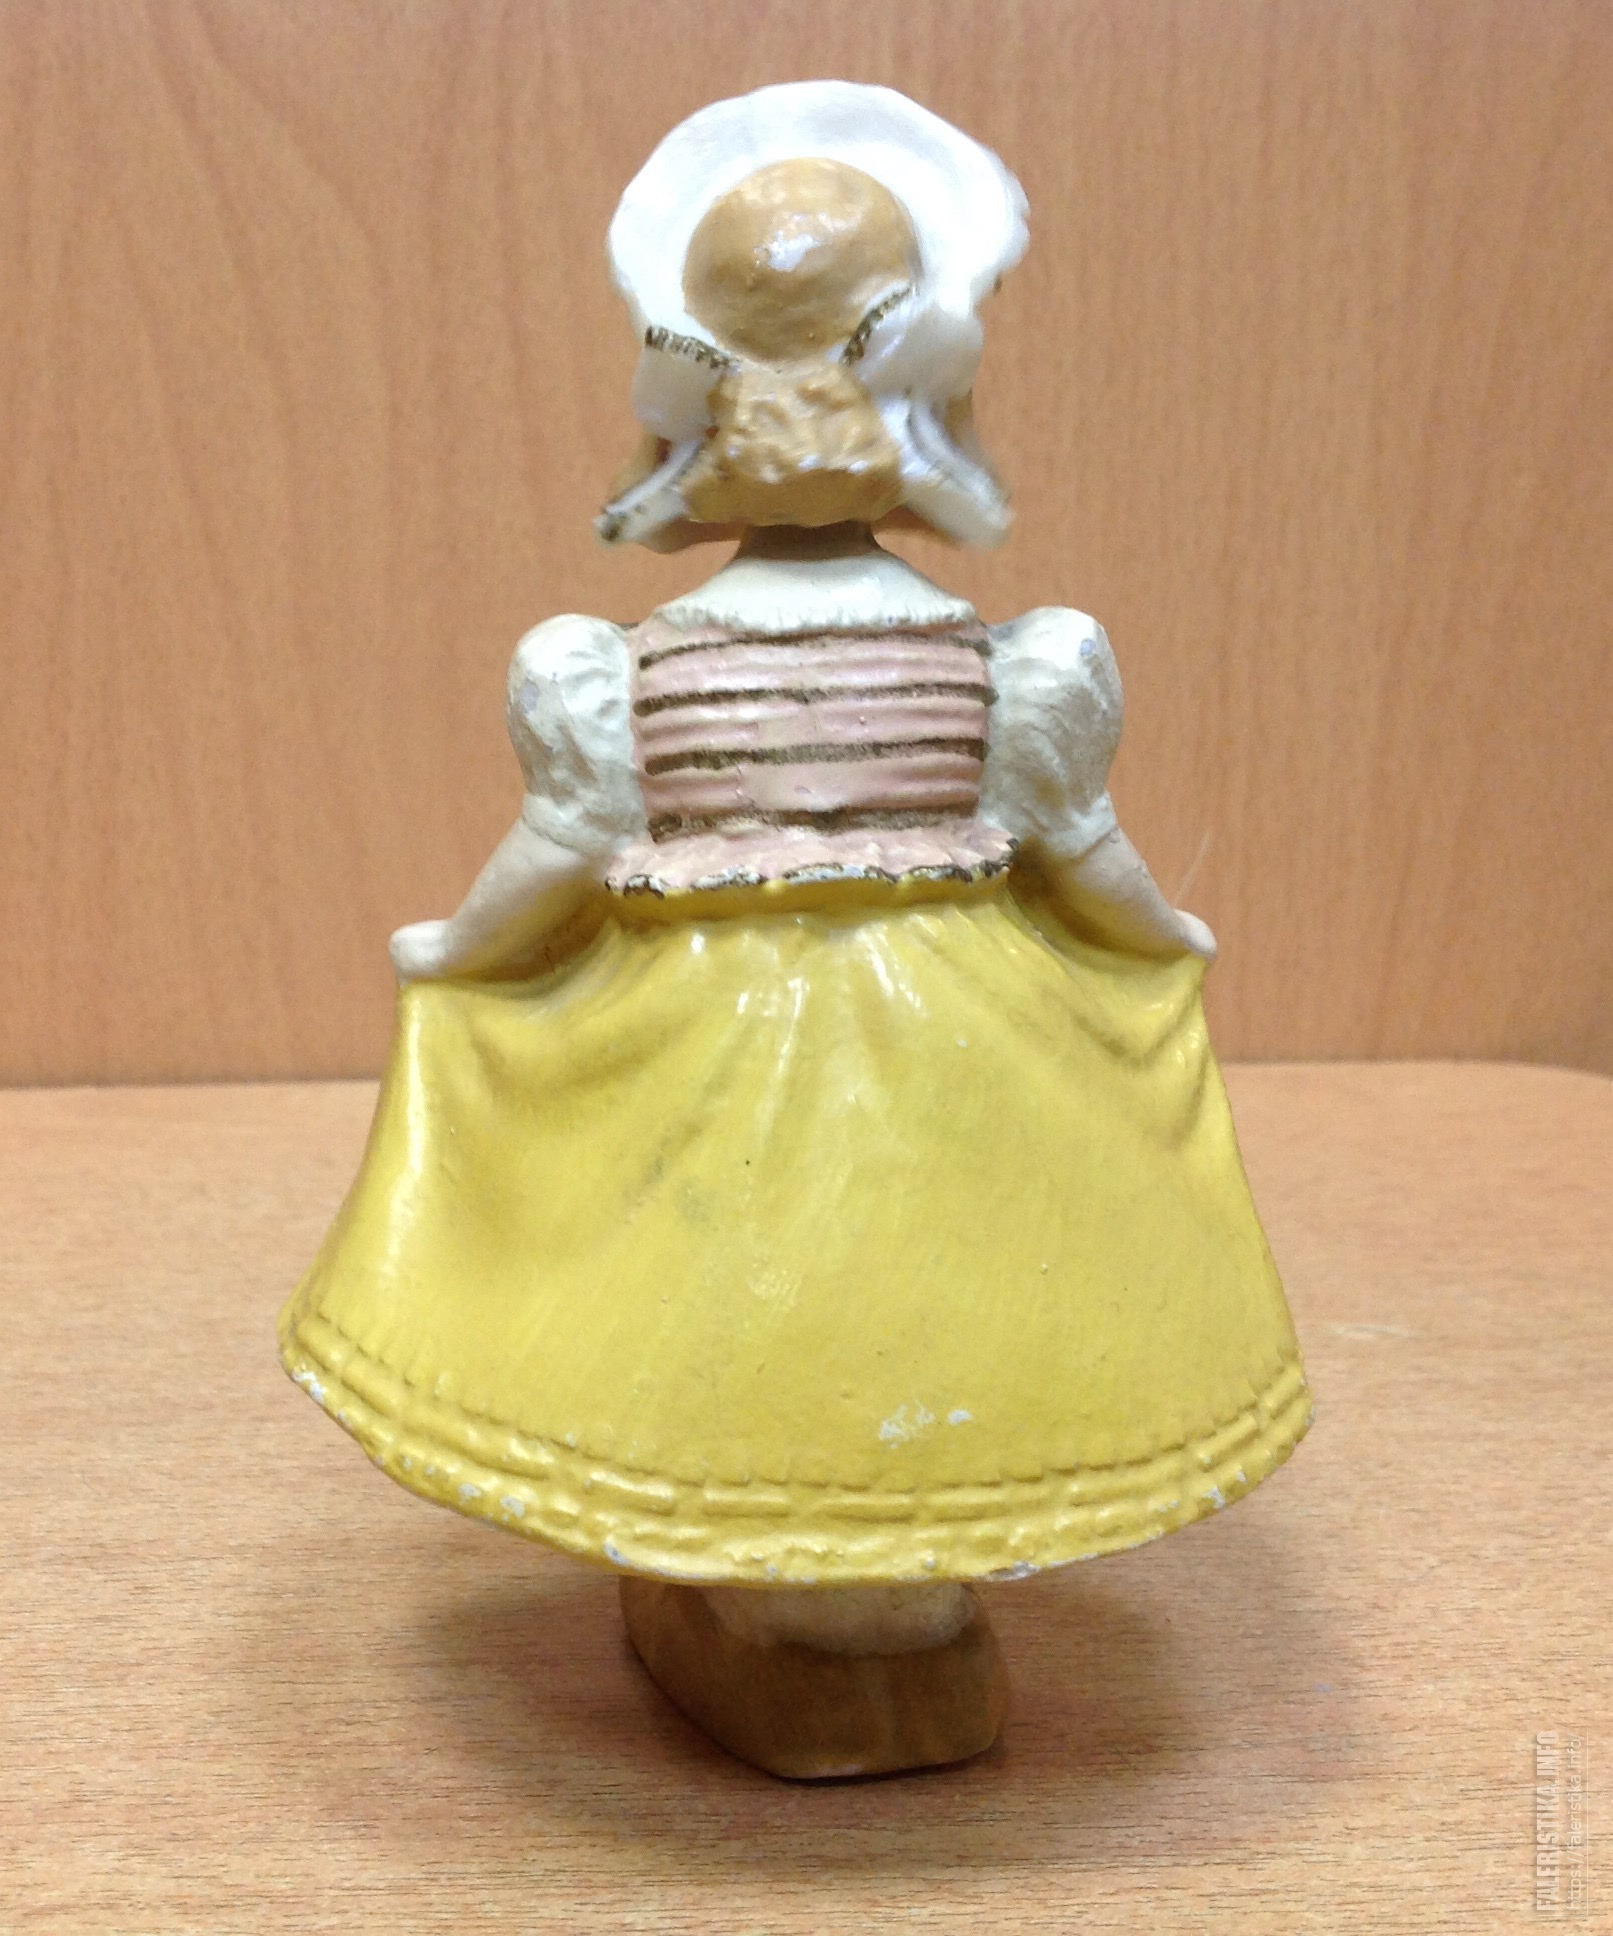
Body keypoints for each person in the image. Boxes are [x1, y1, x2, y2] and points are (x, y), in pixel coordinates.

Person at [280, 81, 1309, 1773]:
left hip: (700, 1034)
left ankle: (795, 1597)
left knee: (729, 1309)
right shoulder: (1011, 661)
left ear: (679, 413)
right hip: (963, 1032)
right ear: (941, 400)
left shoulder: (622, 668)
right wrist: (1156, 935)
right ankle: (873, 1615)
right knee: (940, 1291)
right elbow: (1079, 847)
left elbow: (565, 844)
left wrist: (458, 957)